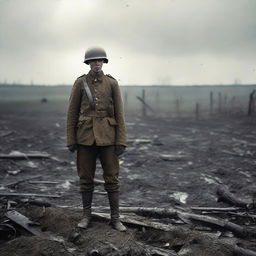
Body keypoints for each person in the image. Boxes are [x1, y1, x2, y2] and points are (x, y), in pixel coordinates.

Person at [66, 47, 127, 232]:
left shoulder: (112, 83)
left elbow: (120, 114)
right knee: (85, 178)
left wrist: (121, 140)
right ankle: (86, 216)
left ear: (104, 62)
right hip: (85, 138)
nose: (97, 64)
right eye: (93, 61)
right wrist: (71, 139)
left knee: (112, 178)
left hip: (108, 137)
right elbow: (72, 113)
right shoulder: (80, 83)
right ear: (88, 63)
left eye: (100, 61)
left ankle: (115, 219)